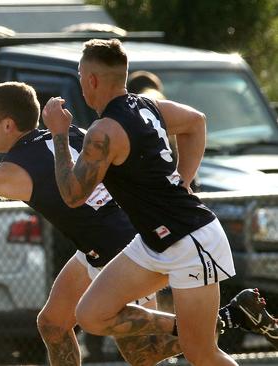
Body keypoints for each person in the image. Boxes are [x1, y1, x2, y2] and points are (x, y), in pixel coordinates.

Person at [0, 81, 271, 365]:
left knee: (143, 355)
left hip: (121, 247)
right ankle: (212, 325)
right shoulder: (67, 134)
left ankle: (227, 319)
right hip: (99, 244)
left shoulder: (11, 172)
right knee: (53, 324)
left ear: (10, 124)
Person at [41, 38, 243, 365]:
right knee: (92, 315)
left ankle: (198, 328)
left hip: (190, 241)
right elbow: (196, 122)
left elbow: (73, 195)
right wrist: (184, 180)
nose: (81, 84)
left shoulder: (103, 131)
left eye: (80, 76)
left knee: (201, 352)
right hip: (152, 243)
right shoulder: (148, 107)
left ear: (91, 80)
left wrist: (59, 134)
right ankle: (184, 325)